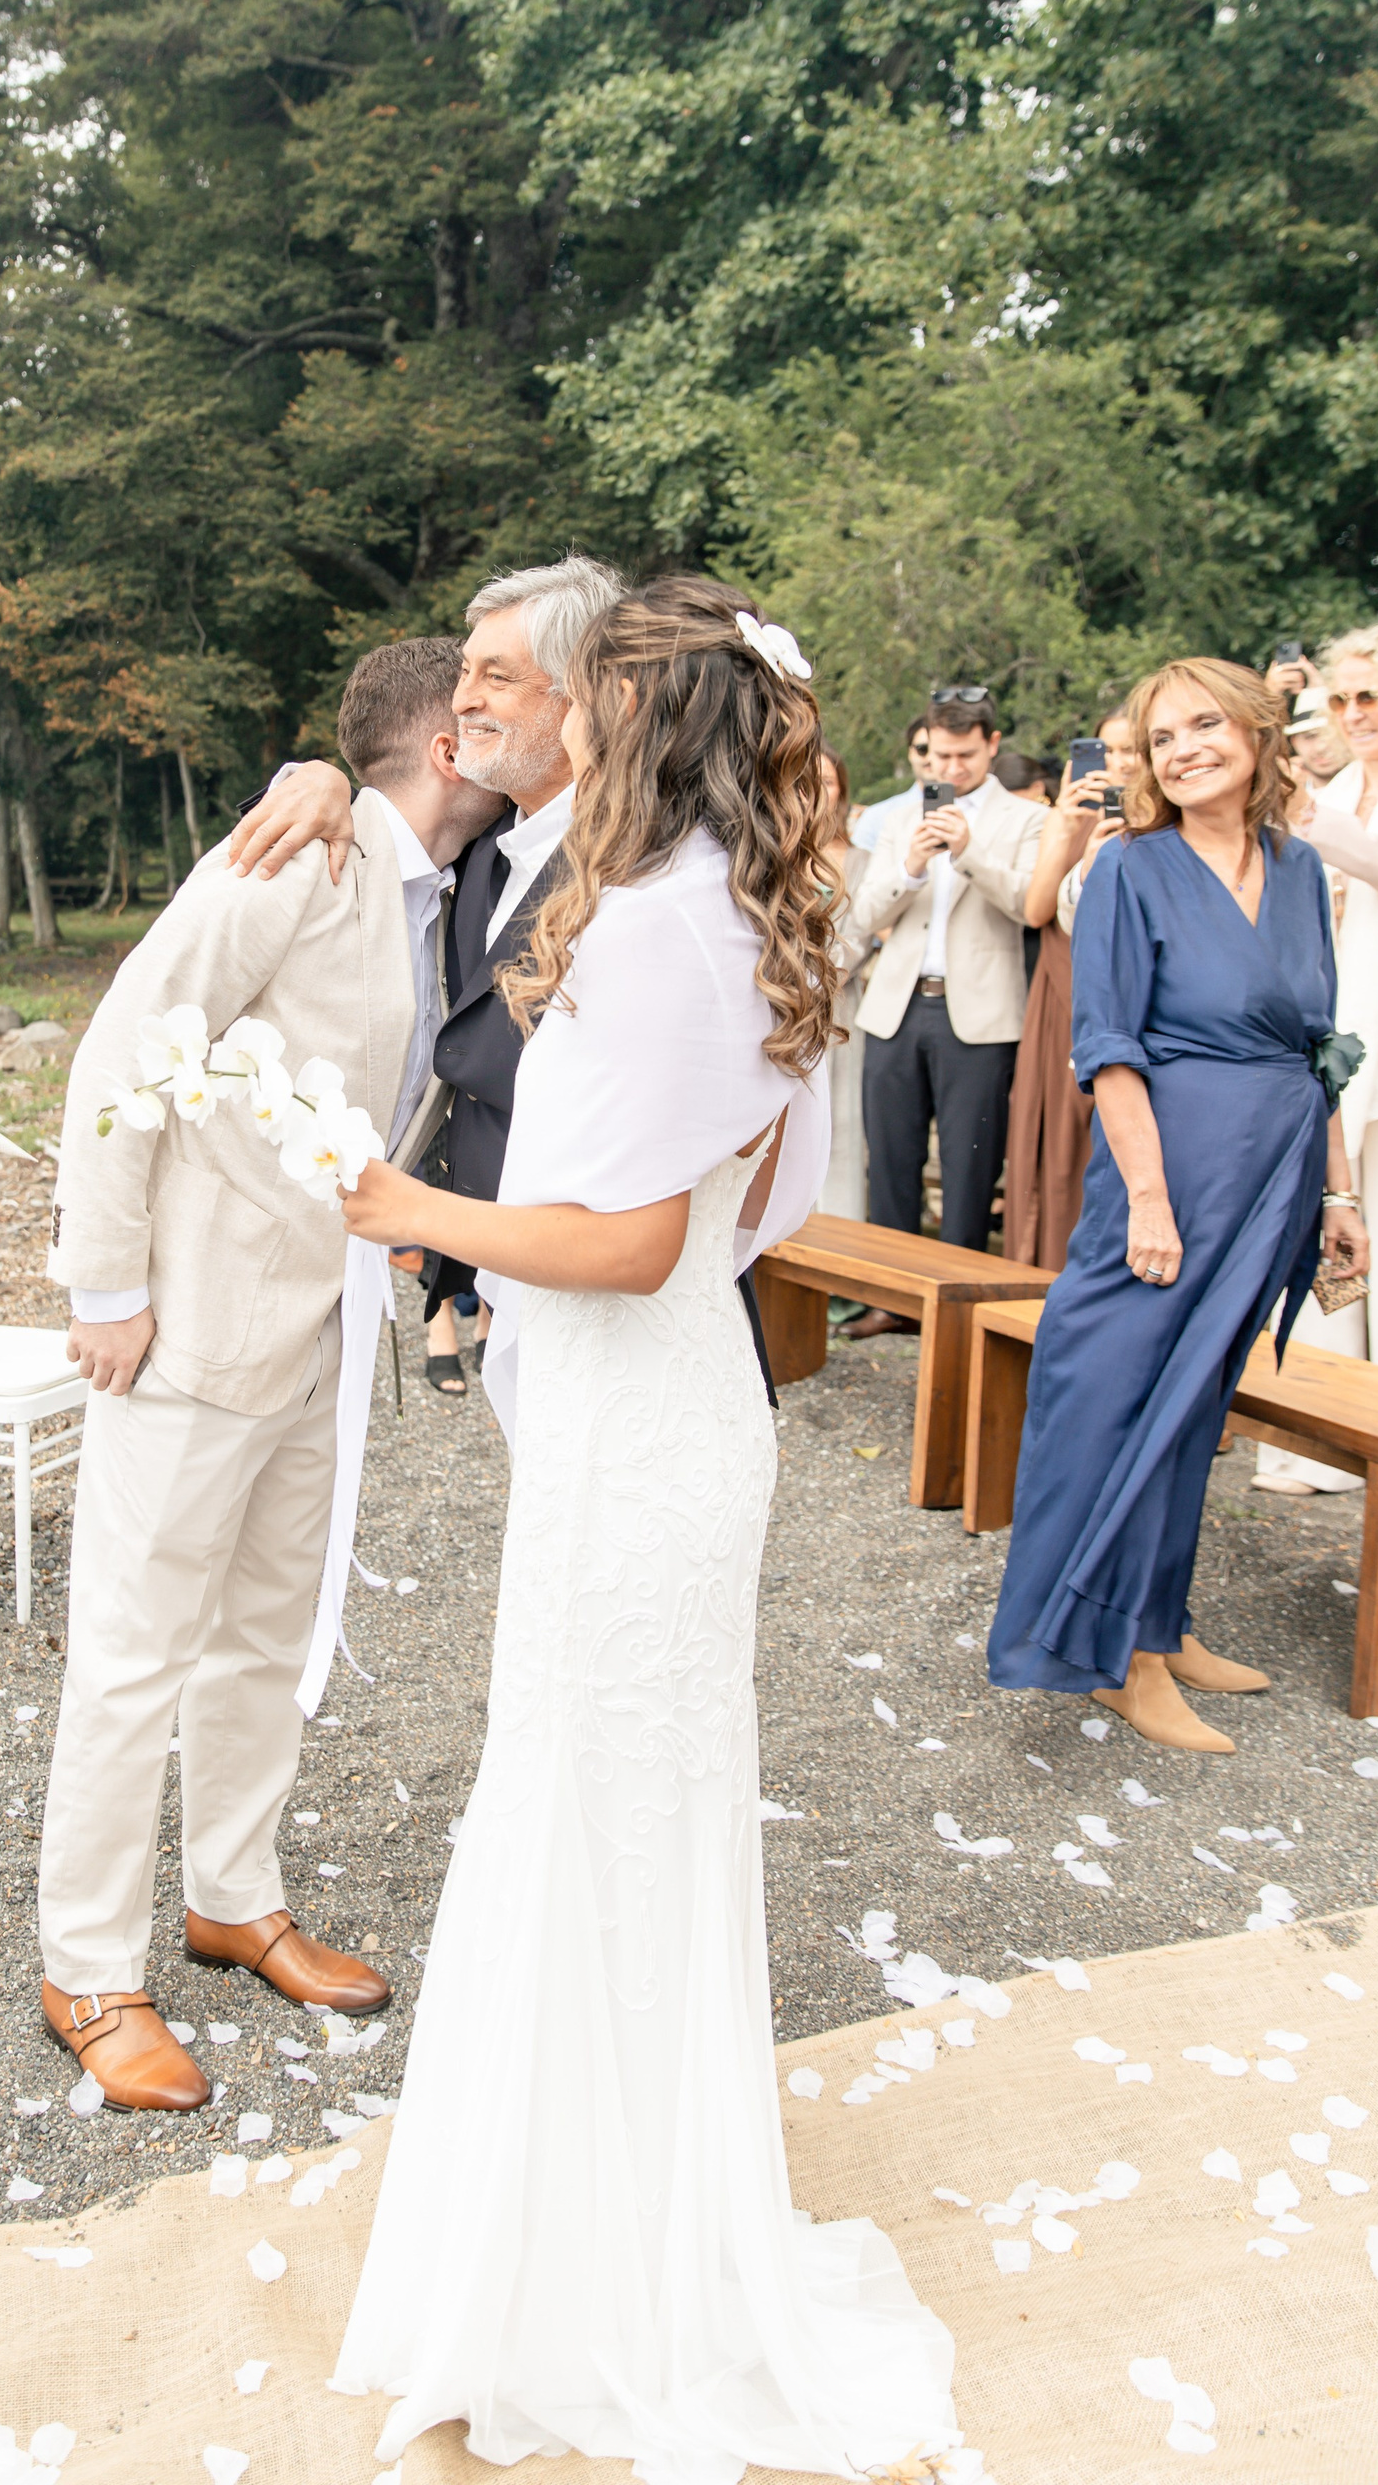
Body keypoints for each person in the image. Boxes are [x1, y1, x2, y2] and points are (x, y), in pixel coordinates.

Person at [329, 578, 963, 2480]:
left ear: (645, 724)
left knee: (590, 1810)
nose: (559, 717)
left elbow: (625, 1243)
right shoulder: (726, 905)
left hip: (639, 1424)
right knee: (619, 1812)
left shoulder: (657, 929)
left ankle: (590, 2288)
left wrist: (407, 1213)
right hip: (673, 1407)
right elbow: (752, 1216)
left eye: (587, 693)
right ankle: (601, 2233)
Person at [36, 639, 496, 2108]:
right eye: (488, 705)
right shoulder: (293, 856)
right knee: (133, 1655)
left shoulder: (468, 888)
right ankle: (86, 1966)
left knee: (266, 1634)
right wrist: (106, 1286)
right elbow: (121, 1048)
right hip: (188, 1319)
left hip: (326, 1328)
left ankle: (233, 1897)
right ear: (448, 743)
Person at [227, 551, 785, 1405]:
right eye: (464, 673)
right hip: (512, 1292)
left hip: (615, 1312)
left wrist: (413, 1211)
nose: (462, 699)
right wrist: (322, 779)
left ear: (588, 694)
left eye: (496, 676)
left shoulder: (652, 884)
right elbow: (393, 806)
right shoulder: (483, 844)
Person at [987, 659, 1369, 1752]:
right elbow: (1107, 1048)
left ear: (1256, 732)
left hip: (1273, 1177)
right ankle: (1112, 1657)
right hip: (1167, 1180)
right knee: (1116, 1397)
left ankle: (1159, 1618)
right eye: (1163, 738)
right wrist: (1148, 1203)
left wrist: (1337, 1191)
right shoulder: (1128, 867)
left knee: (1195, 1406)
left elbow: (1319, 1047)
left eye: (1205, 724)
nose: (1185, 748)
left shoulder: (1298, 868)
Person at [848, 689, 1047, 1326]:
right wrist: (910, 865)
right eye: (939, 756)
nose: (950, 769)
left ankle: (954, 1314)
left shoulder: (1026, 818)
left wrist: (969, 852)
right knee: (891, 1159)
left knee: (969, 1165)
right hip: (897, 1006)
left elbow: (1030, 905)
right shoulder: (902, 818)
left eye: (964, 756)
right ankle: (891, 1300)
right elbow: (864, 913)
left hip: (981, 1015)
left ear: (992, 745)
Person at [1258, 625, 1378, 1490]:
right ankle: (1320, 1445)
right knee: (1331, 1226)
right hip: (1338, 1033)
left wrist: (1309, 819)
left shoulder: (1321, 803)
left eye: (1369, 696)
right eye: (1340, 699)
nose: (1353, 713)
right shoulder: (1336, 787)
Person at [1001, 708, 1138, 1268]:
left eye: (1132, 749)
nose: (1119, 763)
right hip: (1068, 986)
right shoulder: (1072, 819)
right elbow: (1037, 911)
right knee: (1058, 1140)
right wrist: (1067, 830)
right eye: (1108, 751)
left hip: (1141, 998)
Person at [817, 741, 873, 1218]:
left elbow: (861, 936)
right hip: (775, 1002)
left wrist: (814, 973)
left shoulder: (862, 862)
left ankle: (840, 1225)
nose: (817, 790)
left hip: (838, 1003)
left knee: (841, 1119)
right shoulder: (772, 853)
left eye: (827, 781)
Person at [851, 710, 932, 846]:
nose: (930, 758)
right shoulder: (876, 817)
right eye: (922, 749)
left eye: (940, 751)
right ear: (910, 753)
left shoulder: (971, 812)